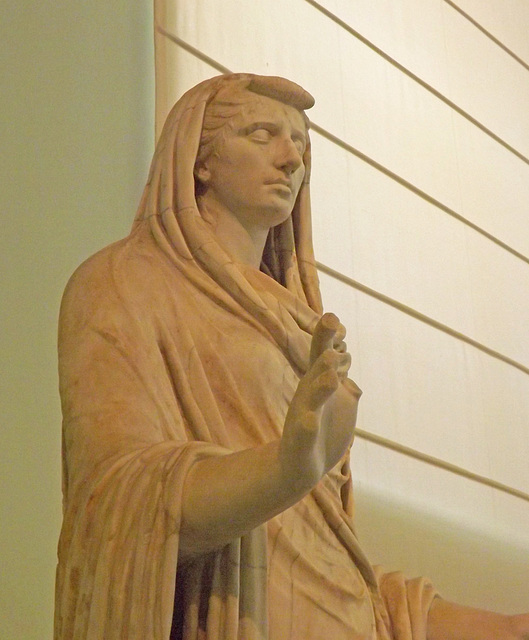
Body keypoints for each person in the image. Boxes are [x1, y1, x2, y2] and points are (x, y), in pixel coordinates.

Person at [54, 73, 529, 639]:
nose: (290, 160)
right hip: (233, 615)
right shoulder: (124, 282)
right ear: (199, 160)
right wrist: (283, 468)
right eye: (261, 134)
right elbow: (115, 501)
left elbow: (318, 552)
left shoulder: (302, 320)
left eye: (300, 145)